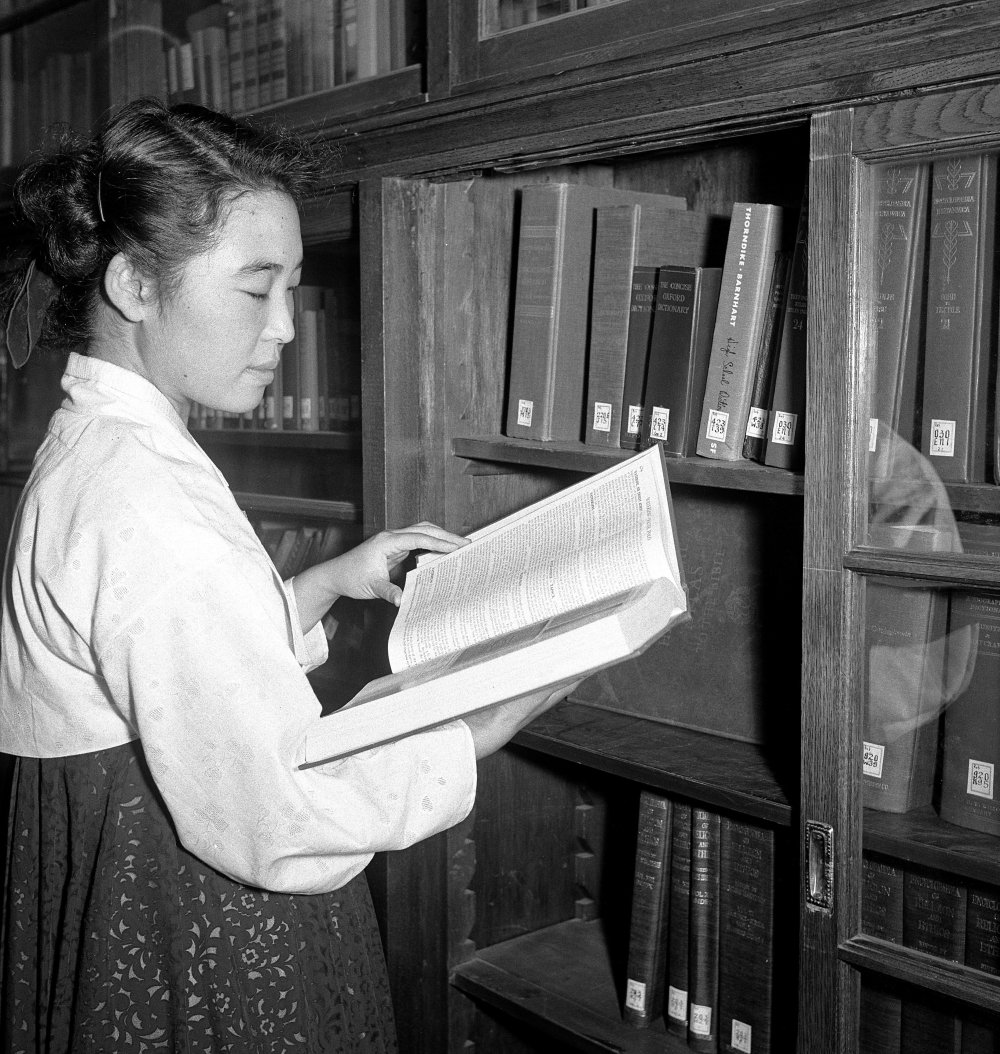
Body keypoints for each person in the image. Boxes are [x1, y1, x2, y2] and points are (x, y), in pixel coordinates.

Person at [0, 99, 573, 1053]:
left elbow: (145, 664)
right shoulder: (147, 506)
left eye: (292, 289)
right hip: (200, 921)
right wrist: (468, 730)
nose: (285, 330)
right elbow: (276, 812)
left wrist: (313, 586)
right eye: (254, 288)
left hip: (131, 873)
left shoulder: (99, 443)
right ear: (136, 283)